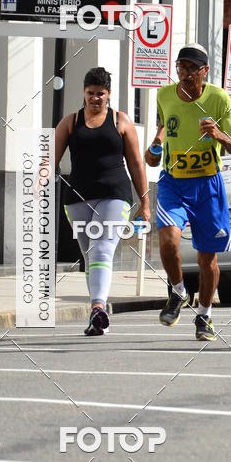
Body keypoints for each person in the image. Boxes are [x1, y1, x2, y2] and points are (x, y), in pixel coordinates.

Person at [145, 43, 231, 341]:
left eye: (191, 68)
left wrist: (218, 134)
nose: (185, 74)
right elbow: (162, 132)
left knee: (207, 260)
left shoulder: (219, 99)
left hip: (207, 185)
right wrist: (154, 148)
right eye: (181, 67)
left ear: (205, 71)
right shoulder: (164, 95)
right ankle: (177, 291)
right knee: (167, 241)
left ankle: (204, 316)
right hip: (173, 182)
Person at [54, 66, 150, 335]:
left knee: (101, 250)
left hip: (115, 195)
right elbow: (51, 158)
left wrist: (144, 203)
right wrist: (39, 180)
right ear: (83, 93)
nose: (95, 98)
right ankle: (98, 316)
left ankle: (97, 307)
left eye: (100, 94)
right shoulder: (70, 122)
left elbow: (136, 164)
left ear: (109, 95)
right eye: (90, 93)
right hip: (77, 198)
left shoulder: (121, 121)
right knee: (90, 256)